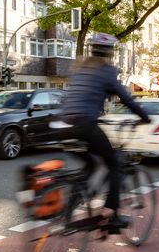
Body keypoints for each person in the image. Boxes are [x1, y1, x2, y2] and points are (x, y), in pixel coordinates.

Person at [60, 33, 150, 231]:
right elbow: (125, 98)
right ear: (110, 52)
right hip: (84, 124)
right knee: (115, 163)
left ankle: (68, 212)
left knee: (90, 165)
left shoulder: (81, 69)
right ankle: (112, 214)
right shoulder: (106, 71)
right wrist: (145, 116)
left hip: (62, 126)